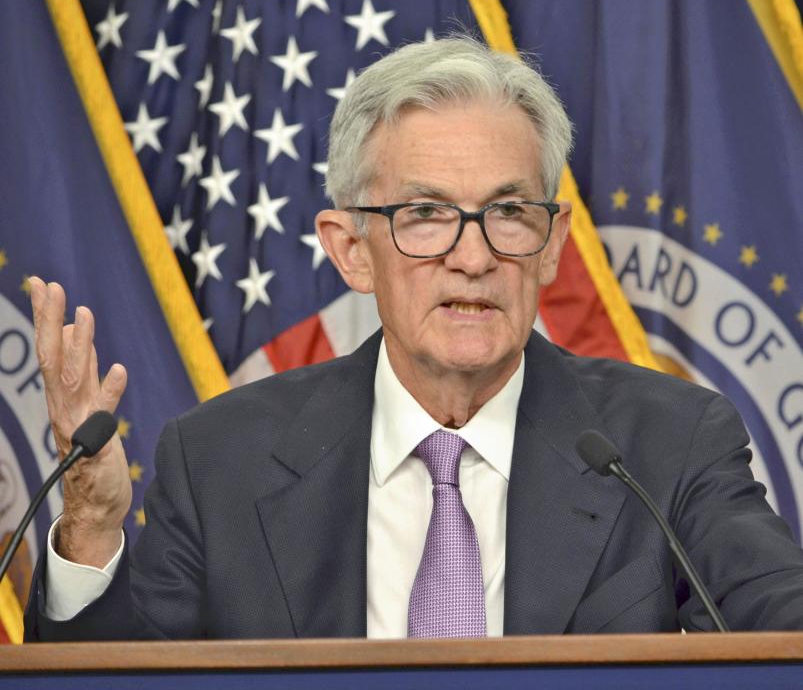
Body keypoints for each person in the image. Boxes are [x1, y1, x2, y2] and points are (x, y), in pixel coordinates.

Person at [24, 37, 803, 641]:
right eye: (426, 215)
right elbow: (115, 685)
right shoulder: (220, 460)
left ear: (553, 240)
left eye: (508, 211)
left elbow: (780, 625)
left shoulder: (667, 446)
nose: (473, 256)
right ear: (351, 249)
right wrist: (90, 530)